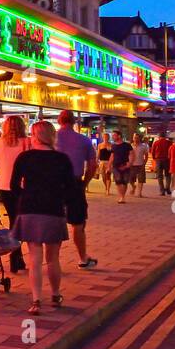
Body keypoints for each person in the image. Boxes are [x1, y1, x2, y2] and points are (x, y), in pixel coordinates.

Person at [9, 121, 77, 315]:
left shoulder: (25, 157)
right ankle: (55, 294)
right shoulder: (62, 159)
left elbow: (13, 186)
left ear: (36, 136)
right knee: (53, 258)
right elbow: (71, 189)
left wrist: (25, 194)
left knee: (34, 258)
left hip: (30, 209)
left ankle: (37, 300)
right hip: (53, 210)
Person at [55, 110, 98, 268]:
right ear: (74, 122)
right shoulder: (83, 140)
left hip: (54, 184)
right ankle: (83, 258)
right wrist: (84, 183)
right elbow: (93, 166)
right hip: (74, 183)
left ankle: (54, 260)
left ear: (59, 121)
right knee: (78, 223)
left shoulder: (50, 139)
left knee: (56, 221)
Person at [0, 115, 30, 273]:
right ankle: (16, 255)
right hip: (24, 185)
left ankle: (16, 254)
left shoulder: (0, 143)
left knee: (13, 218)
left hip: (5, 184)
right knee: (20, 220)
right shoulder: (28, 142)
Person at [109, 131, 132, 204]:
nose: (112, 137)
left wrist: (129, 163)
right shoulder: (113, 146)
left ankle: (123, 196)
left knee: (124, 181)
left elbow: (131, 154)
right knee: (118, 181)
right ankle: (121, 197)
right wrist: (109, 165)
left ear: (119, 136)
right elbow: (112, 156)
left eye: (114, 135)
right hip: (116, 165)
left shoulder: (127, 145)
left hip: (125, 164)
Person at [131, 133, 150, 198]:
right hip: (132, 164)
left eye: (137, 137)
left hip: (140, 164)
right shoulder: (130, 146)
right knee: (131, 179)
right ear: (133, 138)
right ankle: (133, 187)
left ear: (139, 138)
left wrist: (144, 163)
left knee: (141, 179)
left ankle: (139, 193)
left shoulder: (143, 146)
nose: (135, 139)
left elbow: (146, 156)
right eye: (134, 137)